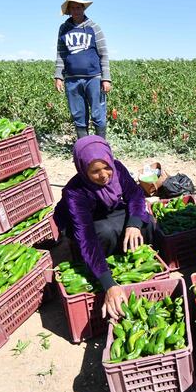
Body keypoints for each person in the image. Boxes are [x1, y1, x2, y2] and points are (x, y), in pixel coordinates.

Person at [54, 136, 155, 320]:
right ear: (82, 170)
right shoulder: (75, 193)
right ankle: (101, 264)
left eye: (106, 167)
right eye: (95, 171)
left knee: (146, 222)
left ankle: (122, 249)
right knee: (105, 233)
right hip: (80, 224)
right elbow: (87, 238)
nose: (104, 175)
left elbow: (136, 195)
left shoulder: (117, 169)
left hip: (106, 211)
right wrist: (109, 284)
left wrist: (133, 225)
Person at [54, 0, 111, 138]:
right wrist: (58, 76)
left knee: (98, 114)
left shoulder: (94, 27)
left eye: (79, 7)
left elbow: (103, 53)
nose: (76, 10)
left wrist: (106, 78)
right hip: (72, 79)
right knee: (78, 115)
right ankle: (84, 148)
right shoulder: (64, 29)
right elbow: (61, 53)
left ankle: (100, 146)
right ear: (69, 11)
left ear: (83, 8)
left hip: (94, 78)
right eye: (73, 8)